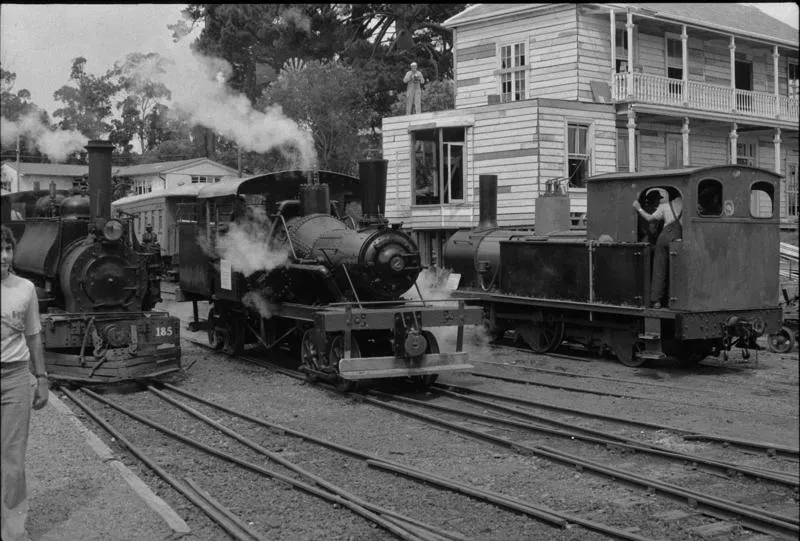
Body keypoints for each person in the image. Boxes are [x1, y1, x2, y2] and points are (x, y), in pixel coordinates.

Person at [2, 225, 49, 541]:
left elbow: (33, 335)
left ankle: (14, 529)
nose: (4, 256)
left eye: (7, 249)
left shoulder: (26, 289)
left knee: (13, 458)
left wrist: (42, 378)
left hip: (16, 377)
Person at [633, 189, 683, 308]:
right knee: (675, 269)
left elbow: (650, 218)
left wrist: (638, 208)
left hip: (664, 237)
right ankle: (673, 299)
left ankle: (656, 300)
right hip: (677, 238)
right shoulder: (685, 204)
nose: (659, 201)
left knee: (659, 269)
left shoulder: (664, 206)